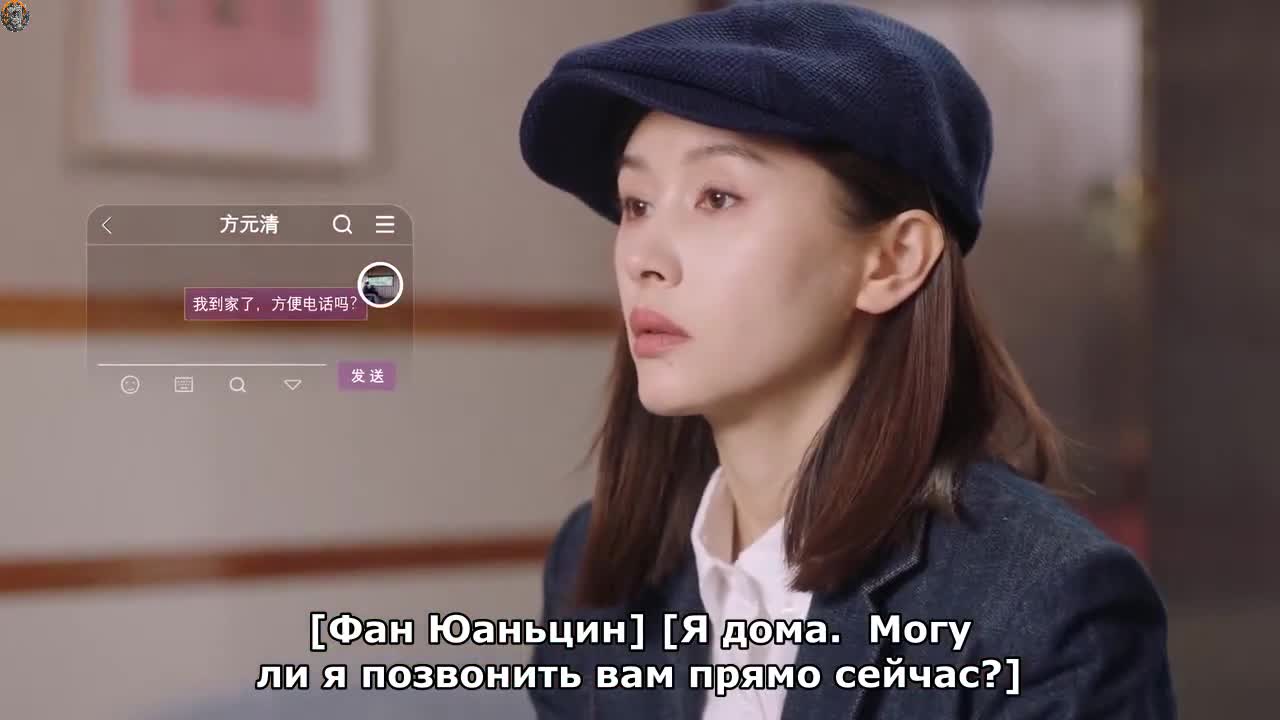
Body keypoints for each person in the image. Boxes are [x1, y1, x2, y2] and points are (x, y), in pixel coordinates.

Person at [516, 2, 1176, 718]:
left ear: (893, 259)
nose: (642, 257)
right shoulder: (596, 564)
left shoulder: (1045, 608)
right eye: (636, 204)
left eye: (717, 197)